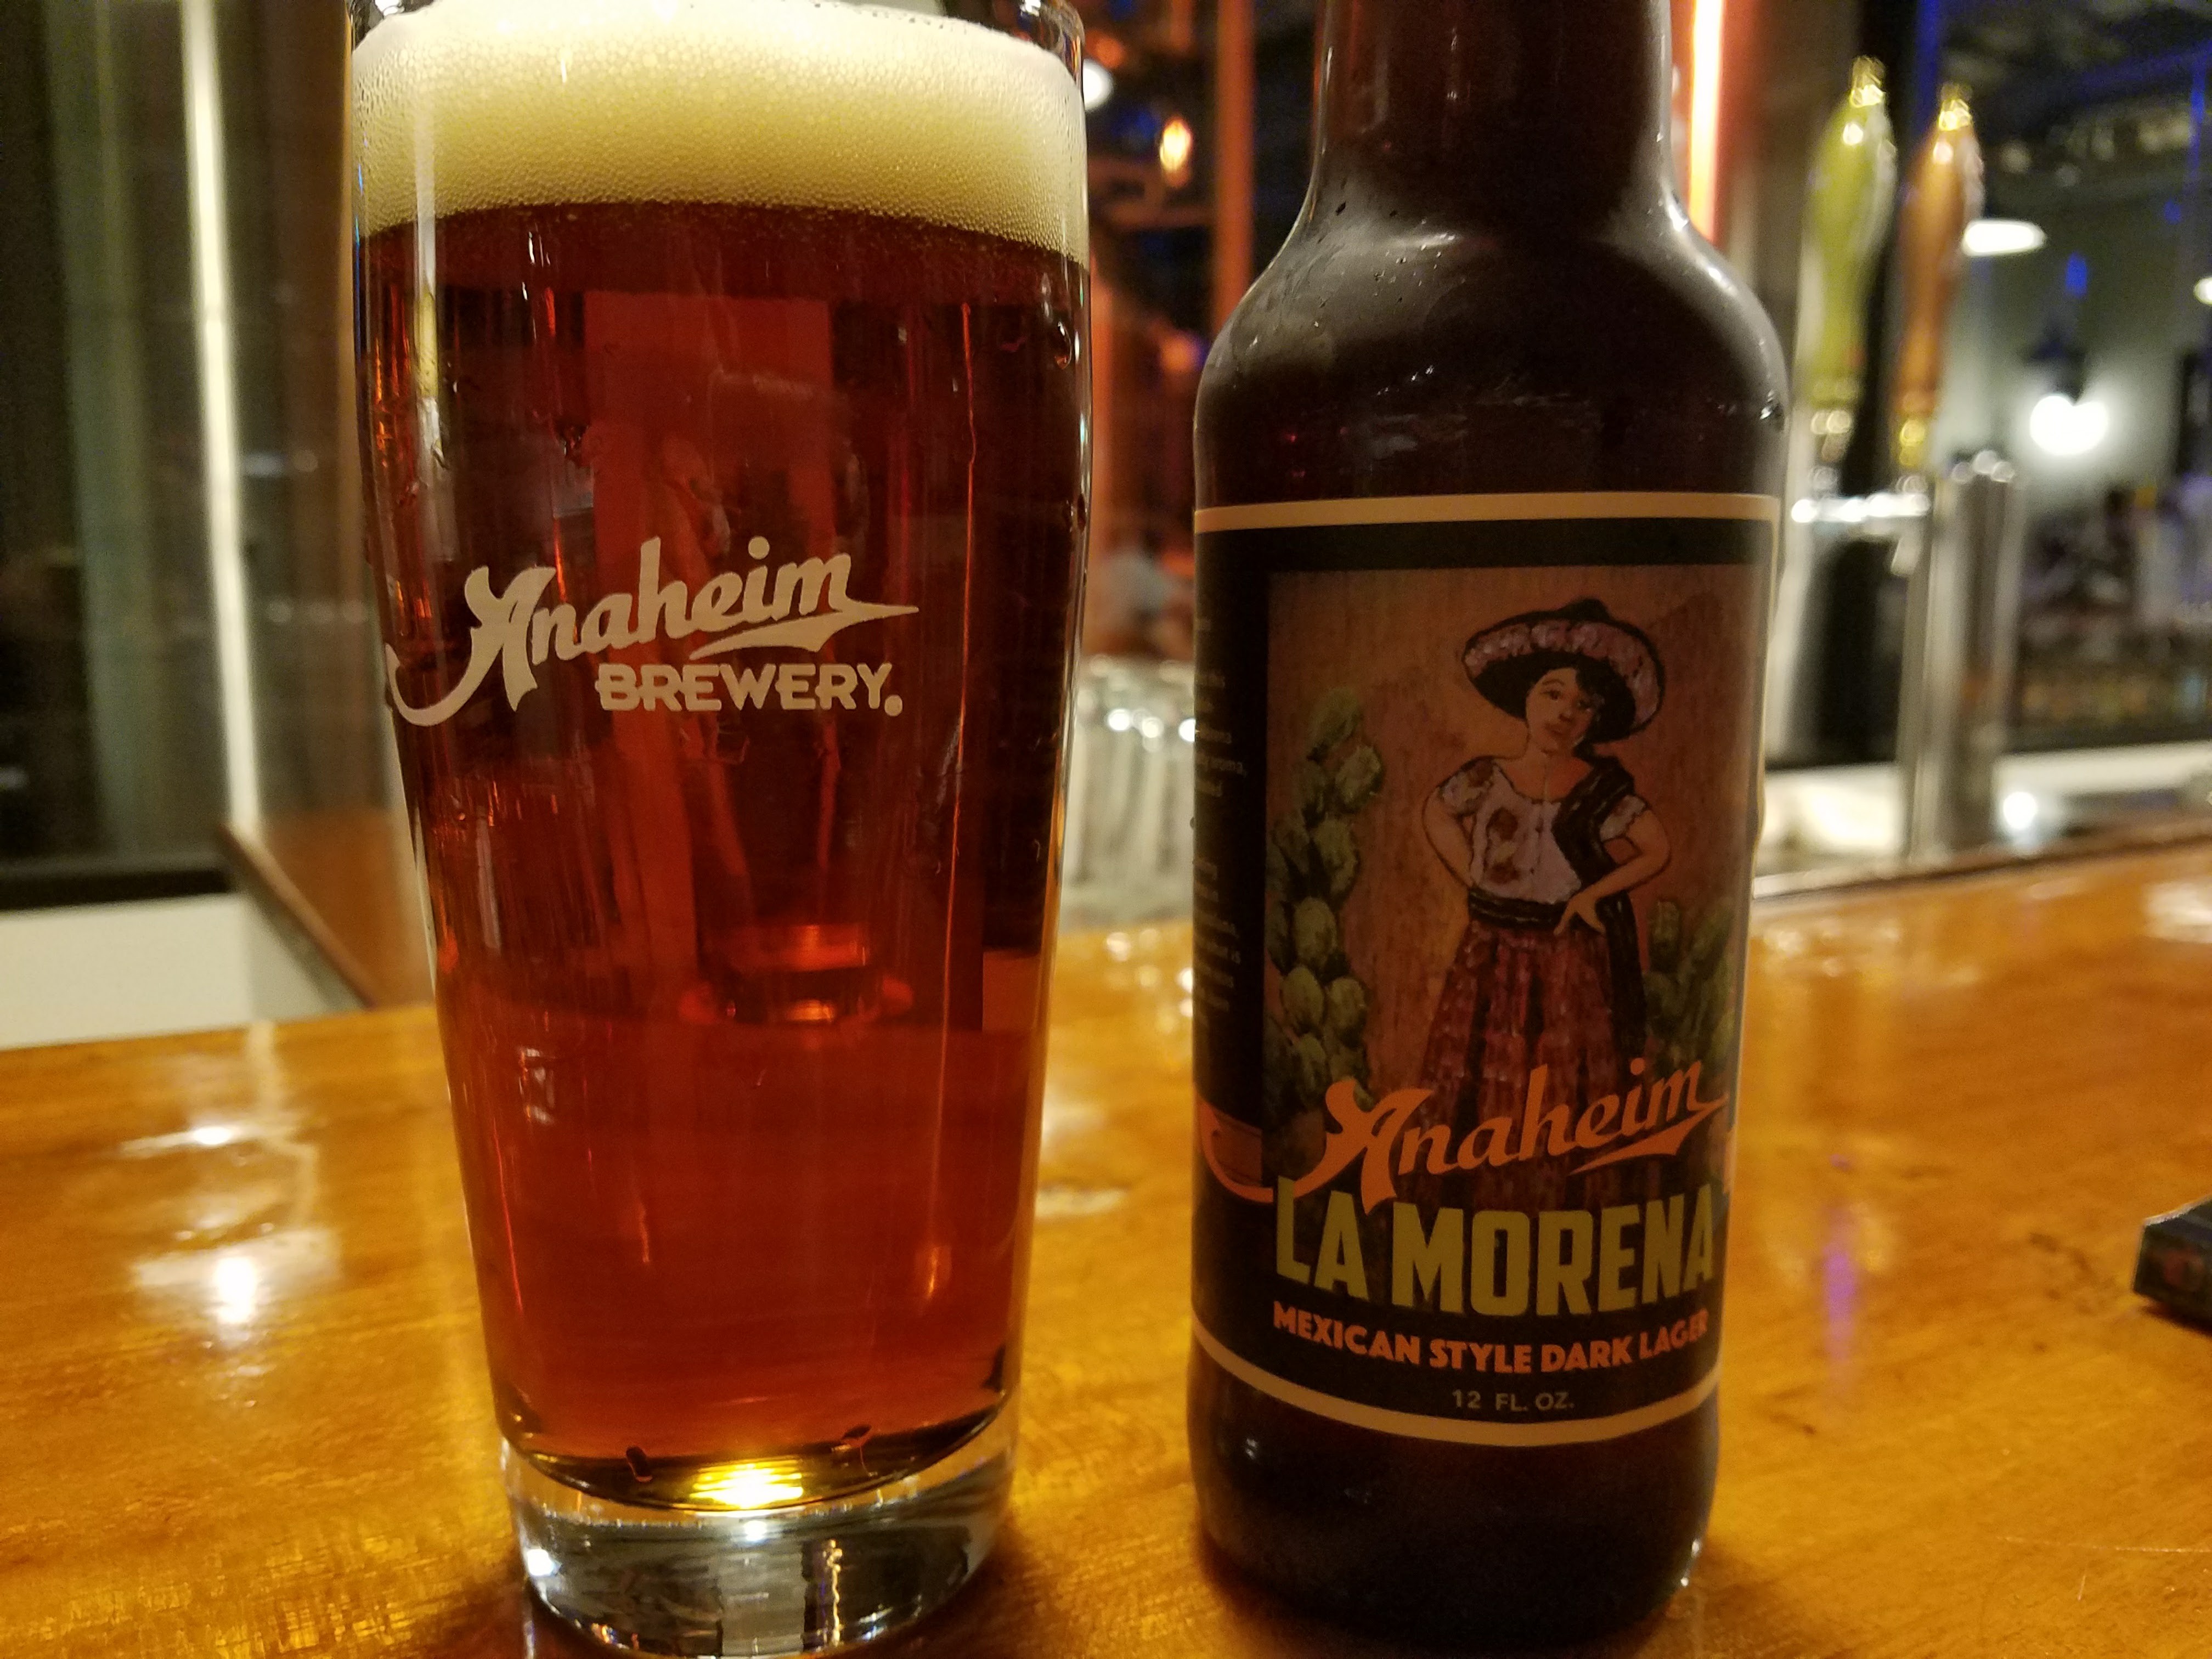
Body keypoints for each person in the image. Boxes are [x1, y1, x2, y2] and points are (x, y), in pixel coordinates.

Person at [1419, 598, 1671, 1136]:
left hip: (1566, 953)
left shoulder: (1599, 791)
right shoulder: (1488, 776)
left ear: (1595, 719)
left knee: (1562, 1077)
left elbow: (1657, 848)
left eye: (1582, 705)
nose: (1564, 713)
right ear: (1526, 698)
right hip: (1491, 946)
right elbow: (1437, 811)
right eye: (1552, 694)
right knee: (1483, 1069)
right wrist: (1472, 875)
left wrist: (1592, 895)